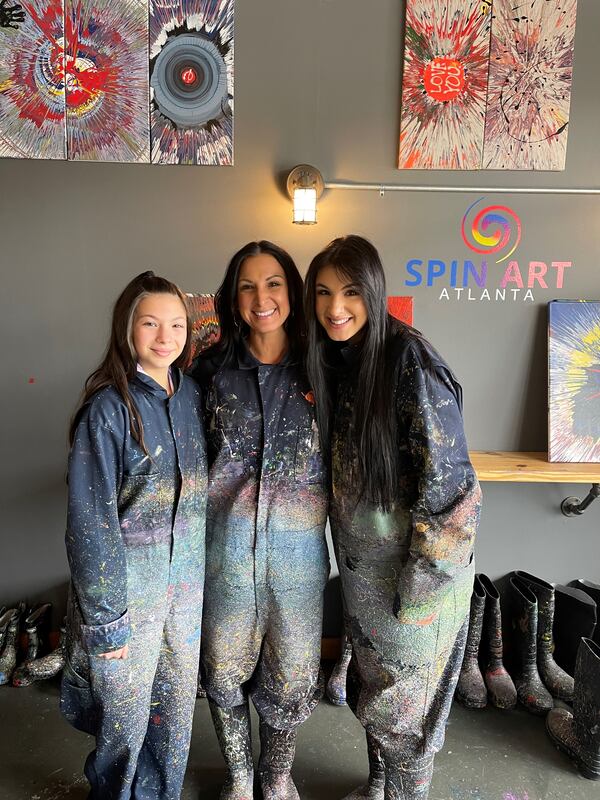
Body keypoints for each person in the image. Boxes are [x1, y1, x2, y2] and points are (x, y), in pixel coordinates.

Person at [304, 236, 481, 800]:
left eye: (351, 292)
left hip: (413, 588)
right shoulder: (340, 359)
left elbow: (453, 496)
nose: (336, 307)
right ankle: (377, 788)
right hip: (366, 581)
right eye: (324, 292)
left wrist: (420, 597)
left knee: (408, 726)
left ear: (374, 292)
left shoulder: (410, 362)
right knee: (377, 697)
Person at [60, 272, 207, 800]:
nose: (165, 336)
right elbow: (89, 524)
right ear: (127, 328)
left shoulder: (190, 396)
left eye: (175, 325)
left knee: (173, 718)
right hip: (128, 602)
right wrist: (107, 621)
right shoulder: (107, 410)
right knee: (122, 724)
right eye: (150, 323)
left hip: (184, 598)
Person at [190, 241, 329, 800]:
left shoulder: (322, 369)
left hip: (299, 559)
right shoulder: (209, 371)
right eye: (247, 285)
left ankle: (275, 774)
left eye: (273, 283)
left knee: (293, 675)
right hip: (225, 551)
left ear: (292, 292)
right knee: (222, 669)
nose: (261, 297)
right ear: (232, 296)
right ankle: (241, 775)